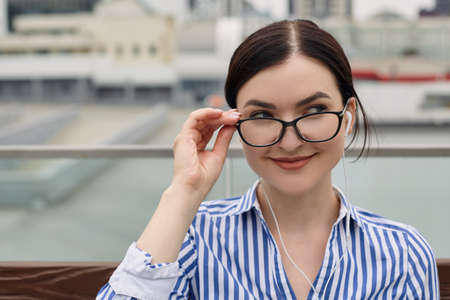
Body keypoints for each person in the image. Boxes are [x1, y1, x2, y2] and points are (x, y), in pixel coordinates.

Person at [96, 19, 439, 300]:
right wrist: (183, 193)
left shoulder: (403, 254)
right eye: (262, 115)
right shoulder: (192, 240)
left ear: (348, 115)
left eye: (315, 110)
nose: (290, 141)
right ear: (233, 121)